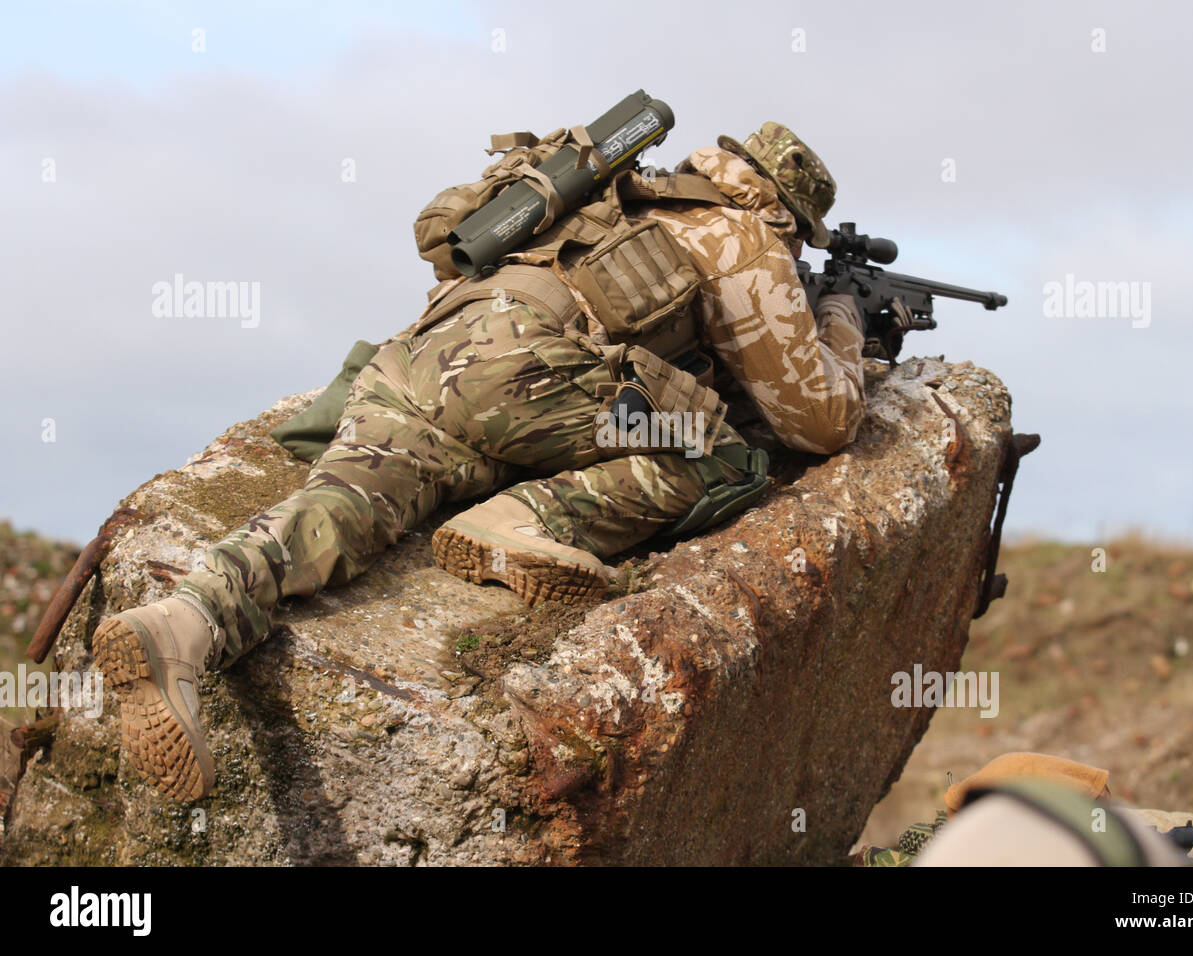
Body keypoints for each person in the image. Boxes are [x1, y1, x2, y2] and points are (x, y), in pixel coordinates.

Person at [91, 120, 871, 801]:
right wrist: (841, 322)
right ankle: (524, 519)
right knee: (720, 458)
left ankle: (184, 622)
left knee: (336, 512)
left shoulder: (623, 184)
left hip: (422, 364)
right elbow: (820, 421)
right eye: (801, 236)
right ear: (783, 210)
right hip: (534, 386)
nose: (796, 250)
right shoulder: (743, 239)